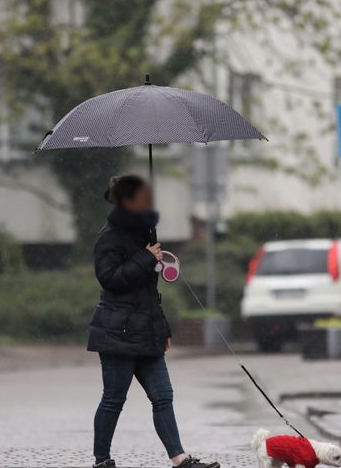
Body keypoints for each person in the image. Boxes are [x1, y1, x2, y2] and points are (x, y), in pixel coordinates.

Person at [89, 174, 219, 468]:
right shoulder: (108, 237)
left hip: (148, 332)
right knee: (114, 399)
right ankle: (101, 460)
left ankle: (179, 459)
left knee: (163, 396)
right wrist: (145, 259)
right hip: (118, 332)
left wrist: (164, 328)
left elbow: (148, 290)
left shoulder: (144, 234)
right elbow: (110, 280)